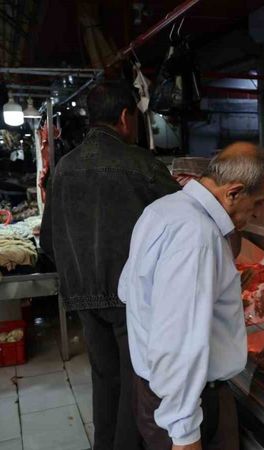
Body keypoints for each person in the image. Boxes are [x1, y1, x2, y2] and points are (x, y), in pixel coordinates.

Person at [40, 80, 181, 450]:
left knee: (105, 378)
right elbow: (187, 223)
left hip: (81, 294)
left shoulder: (64, 168)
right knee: (135, 383)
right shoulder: (141, 164)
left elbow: (48, 242)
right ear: (124, 117)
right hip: (130, 296)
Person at [118, 143, 264, 450]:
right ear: (234, 192)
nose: (257, 214)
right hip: (190, 403)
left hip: (156, 391)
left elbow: (128, 289)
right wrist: (185, 434)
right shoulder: (197, 236)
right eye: (258, 202)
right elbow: (178, 343)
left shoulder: (163, 209)